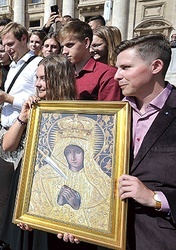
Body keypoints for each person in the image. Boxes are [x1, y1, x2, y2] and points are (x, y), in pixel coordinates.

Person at [0, 55, 90, 250]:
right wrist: (23, 117)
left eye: (44, 79)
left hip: (60, 186)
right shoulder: (34, 108)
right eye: (37, 78)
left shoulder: (79, 113)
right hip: (27, 181)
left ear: (60, 79)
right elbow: (7, 146)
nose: (38, 84)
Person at [115, 34, 176, 250]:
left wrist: (155, 199)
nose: (116, 76)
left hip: (160, 237)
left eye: (126, 67)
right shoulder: (111, 114)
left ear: (156, 66)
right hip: (111, 235)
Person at [0, 22, 42, 239]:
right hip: (6, 132)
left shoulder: (38, 63)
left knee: (21, 194)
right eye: (5, 44)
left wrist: (7, 98)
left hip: (25, 133)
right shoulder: (14, 66)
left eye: (11, 43)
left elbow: (37, 101)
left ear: (25, 39)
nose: (7, 48)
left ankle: (16, 240)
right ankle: (2, 236)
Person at [58, 19, 121, 101]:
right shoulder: (62, 73)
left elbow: (110, 112)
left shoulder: (108, 74)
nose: (64, 52)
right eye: (62, 47)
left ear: (86, 43)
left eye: (70, 45)